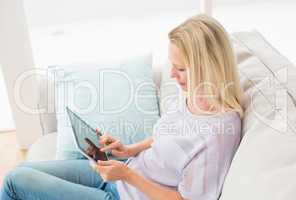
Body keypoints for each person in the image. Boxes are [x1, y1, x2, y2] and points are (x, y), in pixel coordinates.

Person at [1, 14, 244, 200]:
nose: (172, 74)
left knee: (14, 181)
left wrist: (127, 176)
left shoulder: (219, 132)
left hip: (124, 194)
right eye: (173, 65)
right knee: (24, 170)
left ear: (207, 67)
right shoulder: (195, 96)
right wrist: (127, 150)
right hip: (124, 173)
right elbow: (165, 136)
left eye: (181, 69)